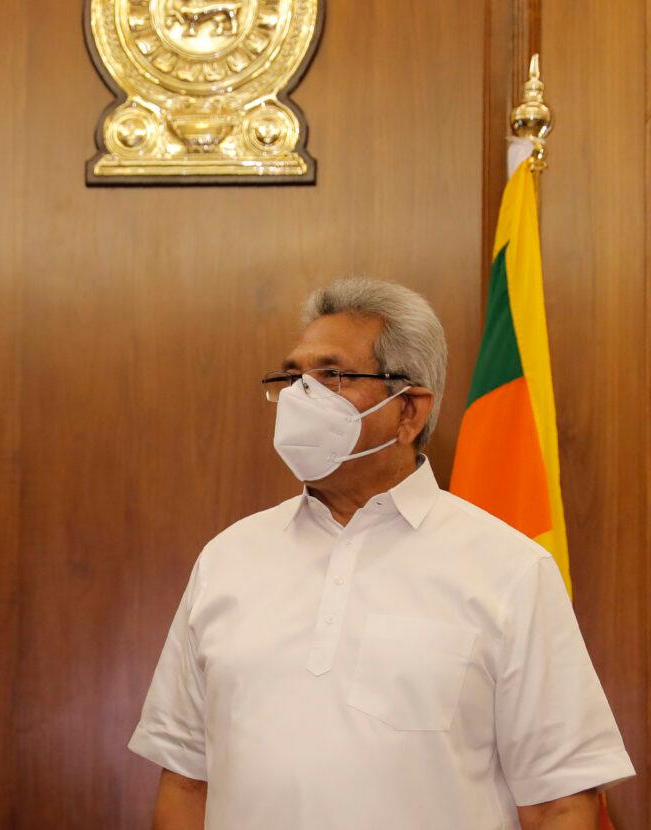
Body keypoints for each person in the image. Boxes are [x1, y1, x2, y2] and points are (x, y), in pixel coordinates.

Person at [129, 279, 633, 829]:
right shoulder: (226, 561)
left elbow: (560, 802)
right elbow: (185, 782)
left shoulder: (509, 569)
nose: (302, 396)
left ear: (410, 410)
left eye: (333, 376)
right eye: (293, 378)